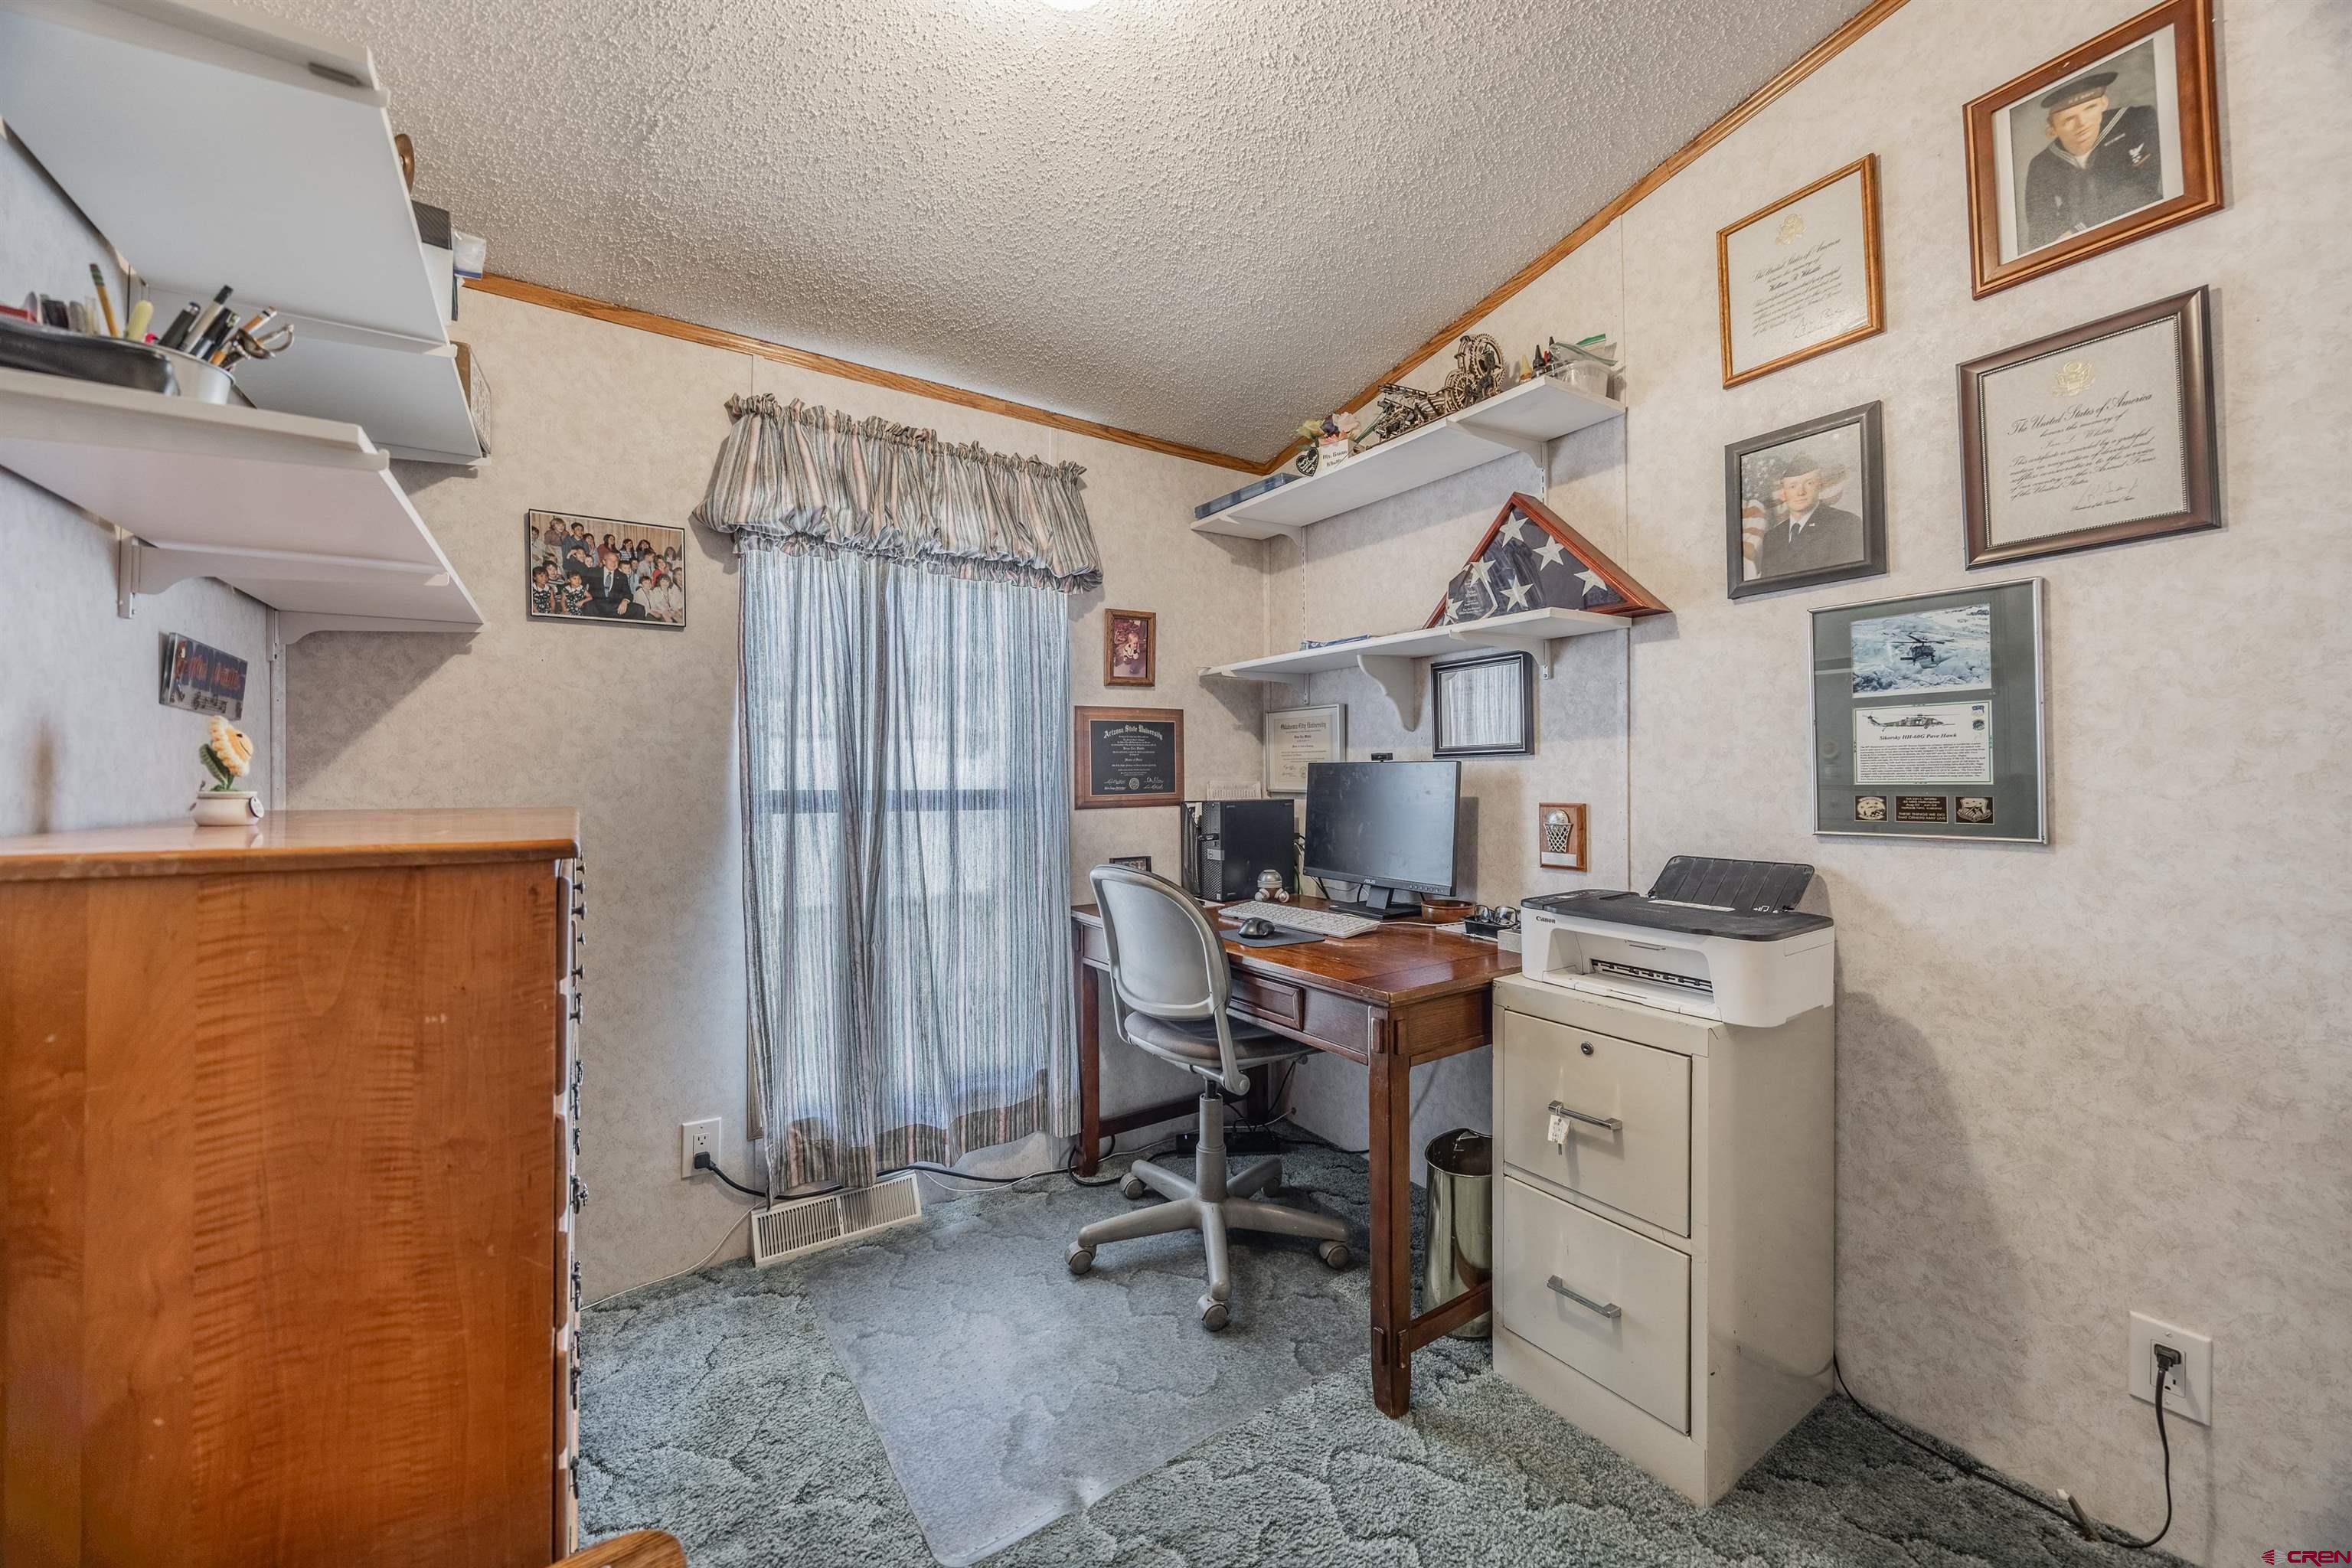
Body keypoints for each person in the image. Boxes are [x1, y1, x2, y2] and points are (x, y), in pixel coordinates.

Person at [2020, 69, 2163, 253]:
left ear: (2104, 103)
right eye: (2069, 119)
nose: (2083, 124)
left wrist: (2080, 228)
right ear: (2052, 129)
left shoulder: (2137, 121)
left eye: (2090, 108)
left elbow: (2143, 189)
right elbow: (2039, 230)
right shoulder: (2042, 165)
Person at [1754, 452, 1863, 580]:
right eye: (1793, 486)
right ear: (1784, 493)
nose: (1801, 492)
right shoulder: (1772, 537)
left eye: (1809, 483)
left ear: (1820, 486)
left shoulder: (1846, 524)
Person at [585, 545, 636, 618]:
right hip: (596, 604)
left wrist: (625, 601)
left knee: (639, 609)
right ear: (604, 562)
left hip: (615, 606)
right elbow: (580, 585)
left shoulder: (622, 576)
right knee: (588, 605)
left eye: (616, 561)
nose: (614, 563)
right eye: (610, 560)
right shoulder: (594, 572)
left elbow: (628, 593)